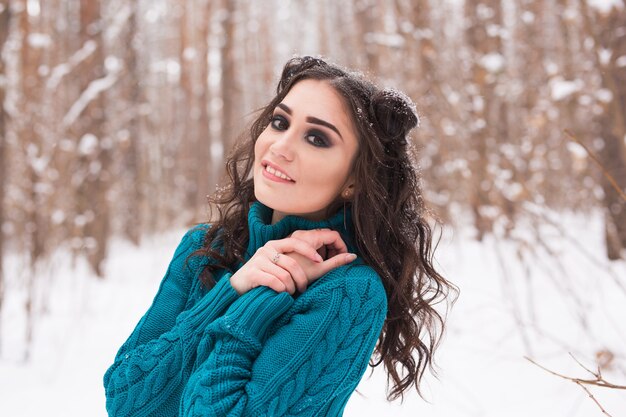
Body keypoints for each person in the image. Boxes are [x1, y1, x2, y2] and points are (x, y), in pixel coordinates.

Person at [103, 55, 457, 416]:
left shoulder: (348, 292)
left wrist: (260, 297)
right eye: (279, 122)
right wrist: (233, 288)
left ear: (354, 180)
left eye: (316, 138)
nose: (280, 146)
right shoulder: (204, 248)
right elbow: (124, 399)